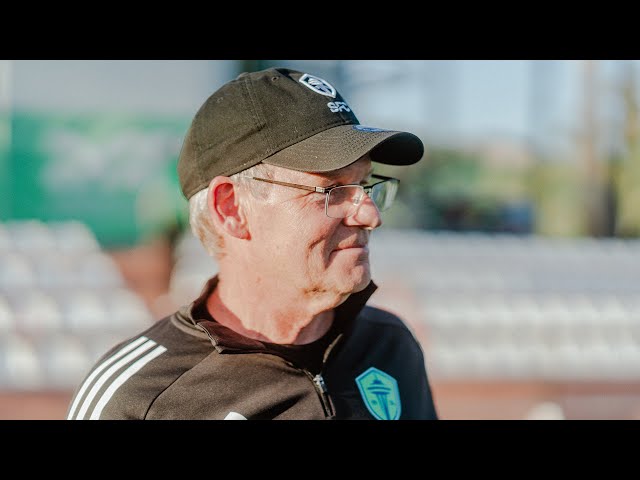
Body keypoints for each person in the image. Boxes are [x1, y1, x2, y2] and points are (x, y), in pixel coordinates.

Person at [66, 67, 439, 420]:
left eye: (365, 185)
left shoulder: (390, 346)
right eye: (331, 190)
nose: (370, 215)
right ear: (231, 208)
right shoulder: (143, 398)